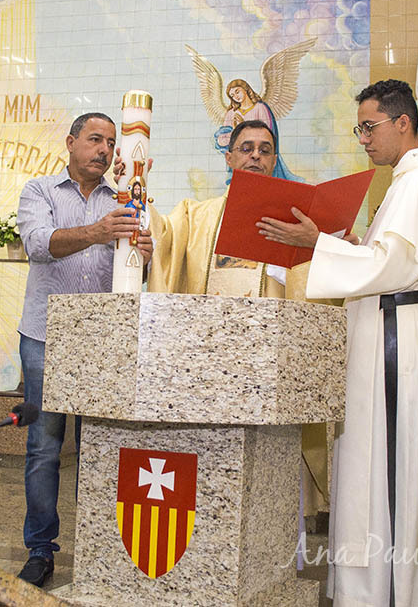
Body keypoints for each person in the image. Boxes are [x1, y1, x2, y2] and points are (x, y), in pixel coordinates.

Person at [257, 79, 418, 607]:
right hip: (389, 332)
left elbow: (397, 268)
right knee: (372, 459)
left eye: (368, 127)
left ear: (403, 122)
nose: (362, 139)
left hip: (396, 340)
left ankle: (393, 592)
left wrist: (317, 243)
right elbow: (392, 259)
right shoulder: (407, 182)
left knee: (389, 465)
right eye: (358, 128)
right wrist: (350, 245)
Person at [115, 118, 330, 524]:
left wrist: (323, 246)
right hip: (210, 368)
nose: (255, 157)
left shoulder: (297, 225)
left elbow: (316, 291)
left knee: (271, 490)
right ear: (229, 158)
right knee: (214, 486)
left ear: (275, 159)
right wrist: (134, 186)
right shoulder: (198, 215)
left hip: (269, 370)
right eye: (246, 148)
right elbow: (163, 239)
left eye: (265, 150)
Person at [15, 112, 153, 587]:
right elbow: (37, 244)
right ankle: (40, 550)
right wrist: (97, 231)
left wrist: (143, 257)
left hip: (103, 341)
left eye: (112, 142)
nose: (105, 150)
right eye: (95, 139)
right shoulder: (40, 191)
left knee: (100, 448)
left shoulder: (127, 198)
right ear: (71, 142)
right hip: (45, 336)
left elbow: (135, 273)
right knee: (44, 447)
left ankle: (100, 548)